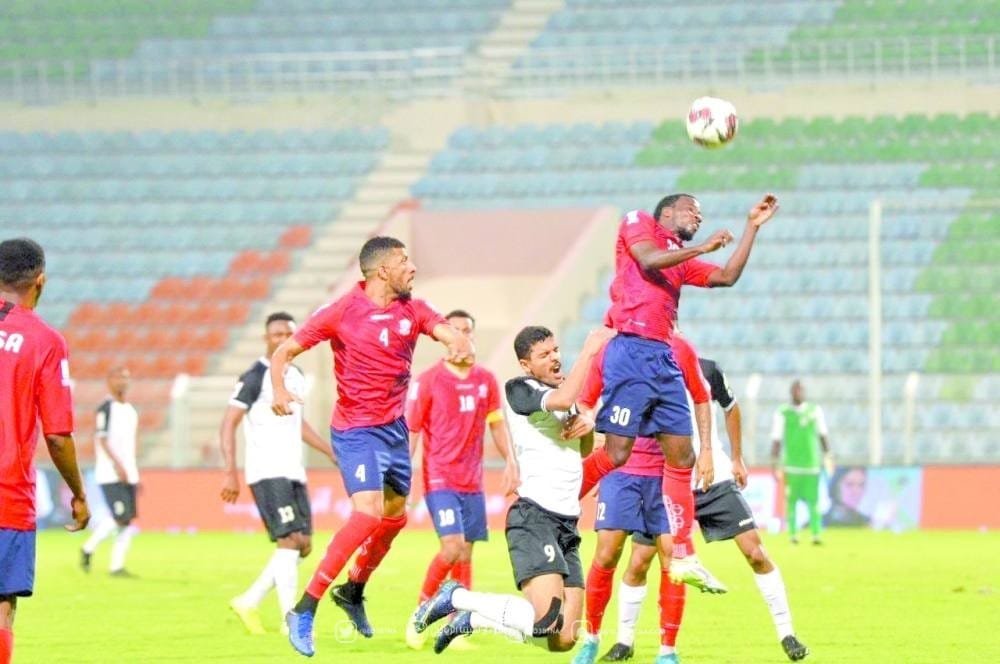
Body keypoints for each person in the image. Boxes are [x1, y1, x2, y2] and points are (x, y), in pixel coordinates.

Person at [270, 236, 473, 657]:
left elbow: (443, 329)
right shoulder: (342, 311)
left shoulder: (413, 308)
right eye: (404, 261)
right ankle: (304, 609)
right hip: (356, 431)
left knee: (395, 519)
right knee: (367, 515)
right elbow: (284, 352)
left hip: (394, 430)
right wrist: (278, 389)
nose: (412, 267)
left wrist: (456, 340)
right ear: (382, 270)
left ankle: (353, 590)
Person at [578, 193, 780, 528]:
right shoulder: (638, 220)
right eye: (691, 211)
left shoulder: (679, 259)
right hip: (630, 347)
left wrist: (752, 227)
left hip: (662, 355)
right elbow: (648, 259)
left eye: (700, 214)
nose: (698, 218)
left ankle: (682, 548)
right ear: (668, 212)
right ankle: (561, 501)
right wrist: (702, 248)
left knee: (684, 455)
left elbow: (726, 276)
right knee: (617, 453)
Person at [411, 325, 614, 656]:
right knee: (545, 621)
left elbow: (582, 448)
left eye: (555, 350)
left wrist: (588, 424)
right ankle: (457, 597)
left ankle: (472, 619)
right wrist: (590, 351)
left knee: (564, 638)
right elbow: (564, 399)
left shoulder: (564, 393)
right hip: (535, 518)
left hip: (567, 523)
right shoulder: (520, 389)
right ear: (525, 364)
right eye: (544, 354)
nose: (555, 358)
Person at [605, 343, 809, 663]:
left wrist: (737, 457)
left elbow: (732, 407)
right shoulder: (645, 373)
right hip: (665, 482)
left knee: (755, 552)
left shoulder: (707, 369)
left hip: (713, 479)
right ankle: (624, 641)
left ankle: (787, 633)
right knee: (640, 562)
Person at [573, 333, 713, 664]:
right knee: (607, 553)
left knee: (673, 560)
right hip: (621, 471)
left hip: (666, 475)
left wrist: (706, 449)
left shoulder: (680, 348)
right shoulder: (612, 348)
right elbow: (585, 402)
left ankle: (667, 650)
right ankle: (591, 639)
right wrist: (595, 450)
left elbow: (701, 396)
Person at [403, 309, 519, 650]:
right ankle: (420, 614)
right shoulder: (429, 380)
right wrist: (403, 476)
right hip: (440, 477)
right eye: (454, 330)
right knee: (452, 547)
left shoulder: (486, 379)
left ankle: (454, 628)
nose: (461, 336)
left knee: (466, 554)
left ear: (473, 335)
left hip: (472, 481)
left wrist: (511, 461)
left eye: (467, 330)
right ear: (444, 338)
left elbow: (497, 425)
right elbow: (412, 431)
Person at [0, 237, 90, 664]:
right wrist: (79, 493)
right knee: (2, 605)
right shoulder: (45, 341)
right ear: (40, 281)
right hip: (6, 496)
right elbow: (57, 435)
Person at [220, 311, 335, 634]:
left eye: (289, 335)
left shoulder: (296, 375)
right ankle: (290, 620)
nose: (284, 340)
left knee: (304, 544)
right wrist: (230, 471)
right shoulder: (255, 376)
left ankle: (249, 601)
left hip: (293, 470)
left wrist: (329, 451)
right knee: (289, 540)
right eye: (277, 335)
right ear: (266, 338)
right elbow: (228, 423)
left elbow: (298, 423)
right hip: (267, 470)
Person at [80, 365, 140, 577]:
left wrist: (131, 468)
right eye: (118, 377)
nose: (122, 381)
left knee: (127, 519)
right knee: (120, 516)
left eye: (126, 377)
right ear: (109, 381)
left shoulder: (130, 410)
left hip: (129, 472)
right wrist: (117, 465)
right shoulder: (105, 408)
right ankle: (89, 547)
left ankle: (116, 565)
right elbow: (102, 439)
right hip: (110, 473)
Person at [771, 380, 833, 544]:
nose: (799, 393)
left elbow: (823, 435)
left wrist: (828, 456)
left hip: (812, 464)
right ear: (791, 392)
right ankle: (793, 534)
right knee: (791, 501)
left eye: (801, 390)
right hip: (791, 466)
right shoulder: (783, 412)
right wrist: (775, 463)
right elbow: (776, 439)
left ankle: (816, 534)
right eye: (796, 390)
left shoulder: (815, 410)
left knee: (814, 501)